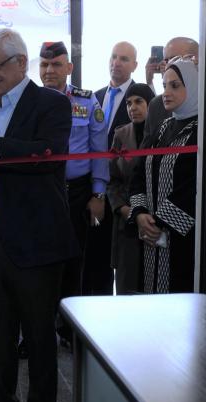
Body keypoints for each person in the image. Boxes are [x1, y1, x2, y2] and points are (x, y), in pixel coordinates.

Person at [0, 29, 77, 402]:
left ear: (21, 63)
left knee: (40, 341)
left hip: (36, 242)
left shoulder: (51, 103)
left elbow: (49, 154)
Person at [38, 41, 108, 346]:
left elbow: (99, 150)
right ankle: (37, 328)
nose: (49, 70)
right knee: (38, 263)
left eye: (56, 65)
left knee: (74, 261)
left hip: (77, 193)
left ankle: (67, 328)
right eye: (44, 65)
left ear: (69, 68)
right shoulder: (31, 101)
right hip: (40, 192)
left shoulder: (86, 101)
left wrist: (99, 194)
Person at [129, 59, 198, 294]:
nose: (166, 93)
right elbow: (138, 173)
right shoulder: (162, 128)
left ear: (194, 85)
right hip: (151, 237)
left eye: (175, 86)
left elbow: (194, 186)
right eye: (164, 85)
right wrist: (140, 214)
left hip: (183, 239)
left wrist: (158, 223)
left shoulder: (200, 130)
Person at [85, 41, 138, 297]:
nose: (116, 62)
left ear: (134, 65)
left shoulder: (140, 98)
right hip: (92, 189)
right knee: (93, 258)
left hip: (123, 194)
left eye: (124, 59)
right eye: (114, 57)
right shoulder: (94, 97)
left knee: (118, 263)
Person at [108, 83, 155, 294]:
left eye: (138, 102)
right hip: (127, 221)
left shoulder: (162, 132)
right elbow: (112, 180)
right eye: (128, 103)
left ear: (151, 104)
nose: (132, 108)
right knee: (127, 287)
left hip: (154, 220)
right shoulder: (121, 135)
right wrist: (122, 208)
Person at [143, 37, 199, 147]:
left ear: (197, 60)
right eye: (166, 61)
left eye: (175, 59)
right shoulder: (156, 105)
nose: (168, 65)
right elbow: (145, 152)